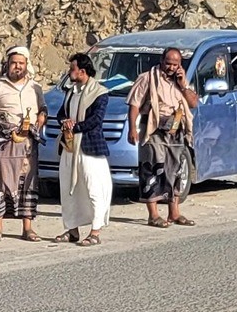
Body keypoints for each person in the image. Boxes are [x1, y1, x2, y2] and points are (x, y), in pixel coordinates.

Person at [128, 45, 200, 227]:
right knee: (152, 169)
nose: (171, 68)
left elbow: (192, 103)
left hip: (176, 130)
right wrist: (132, 129)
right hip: (154, 129)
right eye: (168, 63)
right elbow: (134, 105)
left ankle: (174, 213)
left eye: (175, 64)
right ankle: (153, 215)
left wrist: (183, 85)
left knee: (174, 169)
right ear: (162, 61)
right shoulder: (147, 78)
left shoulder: (181, 81)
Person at [0, 46, 43, 241]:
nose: (17, 67)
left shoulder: (35, 88)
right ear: (7, 64)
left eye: (21, 63)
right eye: (14, 63)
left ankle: (27, 228)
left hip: (27, 144)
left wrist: (41, 118)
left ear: (26, 65)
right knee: (0, 181)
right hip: (2, 144)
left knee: (27, 183)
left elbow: (43, 109)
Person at [55, 52, 113, 245]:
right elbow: (61, 114)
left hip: (89, 147)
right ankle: (72, 230)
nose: (70, 72)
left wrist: (75, 126)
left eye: (72, 68)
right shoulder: (71, 91)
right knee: (69, 188)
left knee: (93, 188)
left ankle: (95, 232)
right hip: (70, 146)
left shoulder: (99, 93)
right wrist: (66, 123)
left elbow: (96, 120)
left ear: (83, 70)